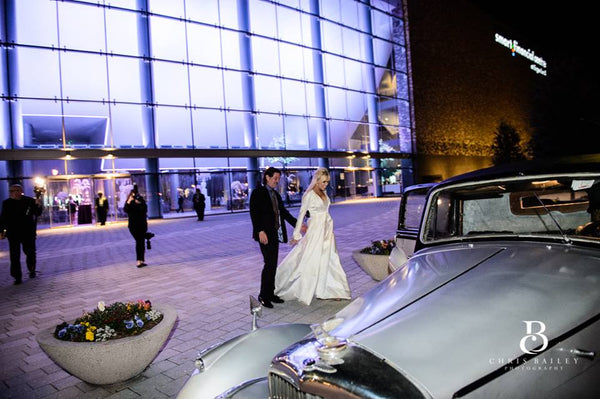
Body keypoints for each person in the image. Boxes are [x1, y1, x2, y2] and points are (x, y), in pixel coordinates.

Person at [274, 167, 351, 305]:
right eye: (323, 182)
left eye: (327, 182)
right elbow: (301, 214)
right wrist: (296, 234)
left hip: (327, 229)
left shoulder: (324, 193)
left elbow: (325, 211)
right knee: (310, 259)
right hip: (316, 230)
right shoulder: (308, 195)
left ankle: (333, 290)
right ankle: (293, 285)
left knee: (330, 258)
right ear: (316, 180)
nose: (325, 184)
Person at [250, 167, 301, 308]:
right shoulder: (258, 193)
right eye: (275, 178)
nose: (277, 181)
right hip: (264, 234)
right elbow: (254, 213)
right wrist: (260, 230)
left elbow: (283, 213)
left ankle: (271, 293)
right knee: (269, 264)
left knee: (272, 264)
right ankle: (263, 295)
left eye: (278, 179)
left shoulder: (276, 194)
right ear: (267, 177)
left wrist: (298, 225)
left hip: (274, 234)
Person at [0, 184, 43, 285]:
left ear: (20, 191)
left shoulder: (29, 201)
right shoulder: (6, 203)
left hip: (27, 232)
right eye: (11, 191)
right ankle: (17, 276)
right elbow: (3, 217)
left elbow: (37, 213)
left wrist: (38, 205)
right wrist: (1, 231)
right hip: (13, 233)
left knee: (30, 252)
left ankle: (31, 269)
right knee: (14, 255)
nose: (13, 193)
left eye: (15, 190)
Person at [124, 185, 151, 268]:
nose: (134, 195)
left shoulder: (141, 201)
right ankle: (139, 261)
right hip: (133, 226)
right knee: (139, 242)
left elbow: (144, 209)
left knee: (141, 242)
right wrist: (129, 201)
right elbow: (125, 210)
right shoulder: (129, 203)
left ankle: (141, 260)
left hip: (142, 225)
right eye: (132, 194)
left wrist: (139, 202)